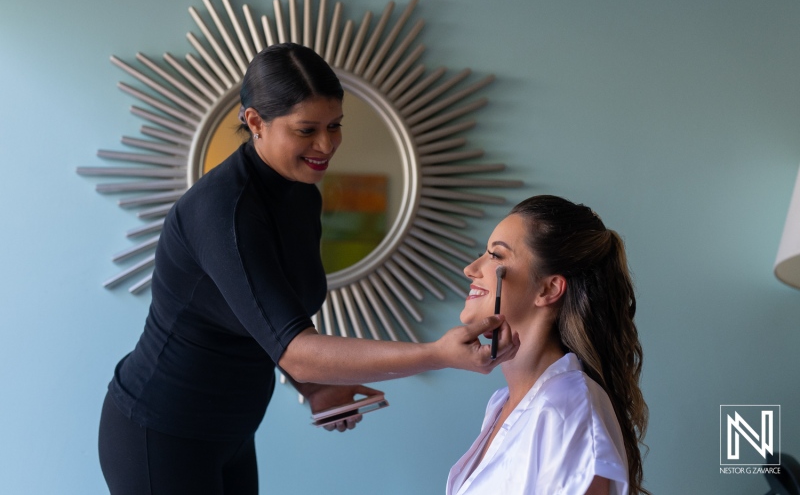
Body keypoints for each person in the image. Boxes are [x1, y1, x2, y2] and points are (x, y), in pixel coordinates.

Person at [98, 42, 519, 495]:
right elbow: (294, 348)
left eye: (335, 125)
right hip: (162, 431)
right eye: (306, 130)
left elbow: (265, 316)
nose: (326, 145)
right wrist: (438, 354)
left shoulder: (300, 193)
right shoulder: (224, 211)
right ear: (255, 121)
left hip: (231, 432)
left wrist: (316, 386)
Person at [446, 195, 649, 495]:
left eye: (496, 256)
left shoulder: (566, 407)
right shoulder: (502, 405)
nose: (471, 269)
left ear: (549, 288)